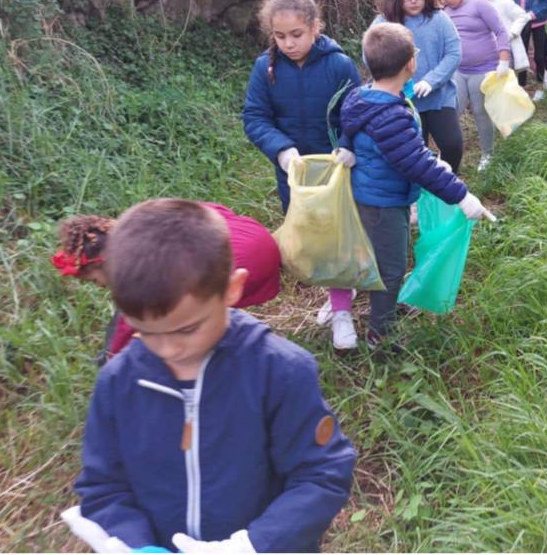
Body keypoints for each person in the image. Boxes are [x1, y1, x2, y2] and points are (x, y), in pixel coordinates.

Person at [70, 198, 356, 553]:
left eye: (187, 329)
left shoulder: (280, 371)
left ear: (232, 289)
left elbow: (321, 474)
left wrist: (253, 544)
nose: (168, 349)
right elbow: (103, 487)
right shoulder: (118, 382)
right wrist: (136, 544)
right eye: (146, 331)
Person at [339, 24, 494, 349]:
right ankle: (380, 334)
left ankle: (386, 310)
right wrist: (462, 196)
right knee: (391, 268)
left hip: (373, 196)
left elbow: (351, 125)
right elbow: (415, 164)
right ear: (411, 64)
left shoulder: (361, 96)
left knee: (389, 257)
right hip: (383, 202)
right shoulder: (390, 115)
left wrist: (347, 146)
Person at [241, 0, 362, 352]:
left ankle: (341, 310)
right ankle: (338, 290)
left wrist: (348, 145)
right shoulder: (265, 69)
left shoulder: (339, 65)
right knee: (311, 240)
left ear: (315, 27)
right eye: (280, 37)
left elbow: (358, 113)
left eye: (296, 34)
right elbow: (255, 116)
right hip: (293, 174)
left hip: (335, 172)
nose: (288, 43)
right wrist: (280, 150)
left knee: (336, 238)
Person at [53, 205, 281, 362]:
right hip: (256, 235)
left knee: (190, 312)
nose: (99, 286)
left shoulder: (141, 270)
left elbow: (129, 323)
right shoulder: (148, 221)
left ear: (105, 263)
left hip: (245, 261)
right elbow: (210, 211)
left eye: (95, 280)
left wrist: (114, 358)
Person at [371, 0, 463, 172]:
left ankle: (446, 184)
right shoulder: (383, 23)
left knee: (452, 145)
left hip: (439, 98)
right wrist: (395, 79)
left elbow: (454, 53)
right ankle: (421, 188)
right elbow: (371, 56)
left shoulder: (439, 19)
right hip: (403, 101)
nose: (413, 1)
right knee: (414, 153)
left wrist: (432, 80)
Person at [428, 0, 511, 172]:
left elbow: (500, 31)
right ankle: (448, 153)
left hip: (483, 68)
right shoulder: (445, 11)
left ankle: (487, 153)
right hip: (458, 70)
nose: (443, 1)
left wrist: (503, 61)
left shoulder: (478, 3)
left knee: (480, 111)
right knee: (452, 111)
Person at [465, 0, 532, 83]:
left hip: (504, 51)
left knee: (504, 83)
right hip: (484, 54)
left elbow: (522, 15)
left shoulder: (502, 2)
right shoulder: (469, 8)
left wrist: (512, 33)